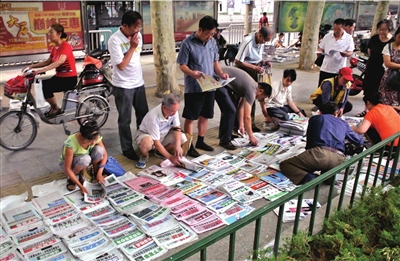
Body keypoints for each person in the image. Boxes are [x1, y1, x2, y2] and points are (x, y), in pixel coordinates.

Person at [177, 16, 228, 158]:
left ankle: (201, 140)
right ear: (200, 30)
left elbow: (215, 62)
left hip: (209, 85)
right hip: (194, 87)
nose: (210, 37)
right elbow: (182, 65)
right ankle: (189, 145)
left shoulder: (212, 42)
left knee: (206, 115)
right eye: (208, 34)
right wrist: (192, 73)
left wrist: (221, 73)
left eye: (212, 34)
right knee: (191, 117)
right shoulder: (187, 43)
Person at [280, 102, 363, 185]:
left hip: (319, 154)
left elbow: (310, 140)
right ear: (336, 113)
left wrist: (308, 154)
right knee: (327, 173)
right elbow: (358, 141)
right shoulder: (343, 123)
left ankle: (309, 178)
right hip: (338, 158)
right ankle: (328, 179)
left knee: (285, 164)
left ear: (320, 112)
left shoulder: (315, 119)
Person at [108, 11, 149, 161]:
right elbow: (122, 66)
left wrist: (135, 44)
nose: (138, 30)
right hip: (123, 85)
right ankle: (127, 148)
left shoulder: (138, 36)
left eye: (140, 27)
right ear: (125, 26)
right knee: (125, 120)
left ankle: (142, 143)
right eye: (135, 27)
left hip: (139, 83)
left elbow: (136, 59)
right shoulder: (114, 40)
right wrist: (132, 47)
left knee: (143, 116)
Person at [23, 23, 77, 118]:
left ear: (59, 34)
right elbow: (47, 62)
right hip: (59, 77)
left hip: (69, 79)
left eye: (51, 32)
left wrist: (43, 70)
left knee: (46, 87)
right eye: (49, 32)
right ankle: (54, 107)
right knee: (42, 84)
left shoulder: (65, 46)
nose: (49, 35)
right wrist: (32, 67)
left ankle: (55, 108)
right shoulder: (54, 48)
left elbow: (60, 61)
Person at [215, 66, 272, 149]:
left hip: (224, 82)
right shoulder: (252, 90)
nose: (260, 99)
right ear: (261, 91)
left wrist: (241, 125)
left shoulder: (251, 87)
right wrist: (251, 136)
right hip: (218, 80)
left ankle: (227, 135)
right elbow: (247, 116)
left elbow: (240, 108)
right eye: (262, 97)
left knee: (232, 108)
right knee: (230, 110)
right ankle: (225, 140)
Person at [234, 26, 273, 132]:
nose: (264, 43)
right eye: (264, 40)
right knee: (241, 100)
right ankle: (238, 125)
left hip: (254, 70)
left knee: (253, 97)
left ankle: (250, 123)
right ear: (260, 35)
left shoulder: (260, 42)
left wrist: (263, 62)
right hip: (244, 71)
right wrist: (254, 67)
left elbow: (256, 57)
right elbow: (237, 61)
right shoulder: (248, 41)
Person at [134, 93, 189, 169]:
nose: (175, 113)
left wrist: (178, 145)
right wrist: (170, 157)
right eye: (173, 111)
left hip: (162, 136)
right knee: (147, 142)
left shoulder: (173, 111)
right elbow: (156, 142)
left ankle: (159, 152)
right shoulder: (153, 117)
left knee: (182, 138)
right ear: (164, 107)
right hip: (148, 136)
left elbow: (177, 128)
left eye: (176, 110)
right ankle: (145, 155)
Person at [356, 19, 393, 117]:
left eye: (384, 29)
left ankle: (378, 114)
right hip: (372, 68)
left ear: (389, 29)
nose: (382, 32)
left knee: (381, 92)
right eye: (380, 29)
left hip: (384, 70)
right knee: (368, 90)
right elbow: (370, 52)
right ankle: (366, 111)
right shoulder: (374, 39)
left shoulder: (392, 41)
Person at [59, 120, 108, 193]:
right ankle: (71, 178)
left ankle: (95, 171)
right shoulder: (71, 143)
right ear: (82, 137)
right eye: (89, 141)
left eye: (95, 139)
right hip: (70, 163)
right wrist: (81, 187)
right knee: (85, 159)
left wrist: (99, 173)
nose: (93, 143)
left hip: (86, 159)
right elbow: (67, 168)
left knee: (99, 150)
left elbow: (105, 155)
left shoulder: (95, 136)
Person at [317, 18, 354, 87]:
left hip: (339, 69)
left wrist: (345, 54)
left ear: (344, 28)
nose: (336, 31)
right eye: (334, 29)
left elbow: (350, 52)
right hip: (326, 67)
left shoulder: (348, 38)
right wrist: (319, 52)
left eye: (338, 29)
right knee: (322, 88)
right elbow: (321, 48)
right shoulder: (327, 36)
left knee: (335, 88)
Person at [379, 25, 400, 113]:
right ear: (396, 35)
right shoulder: (388, 47)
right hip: (390, 78)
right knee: (386, 103)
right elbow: (388, 63)